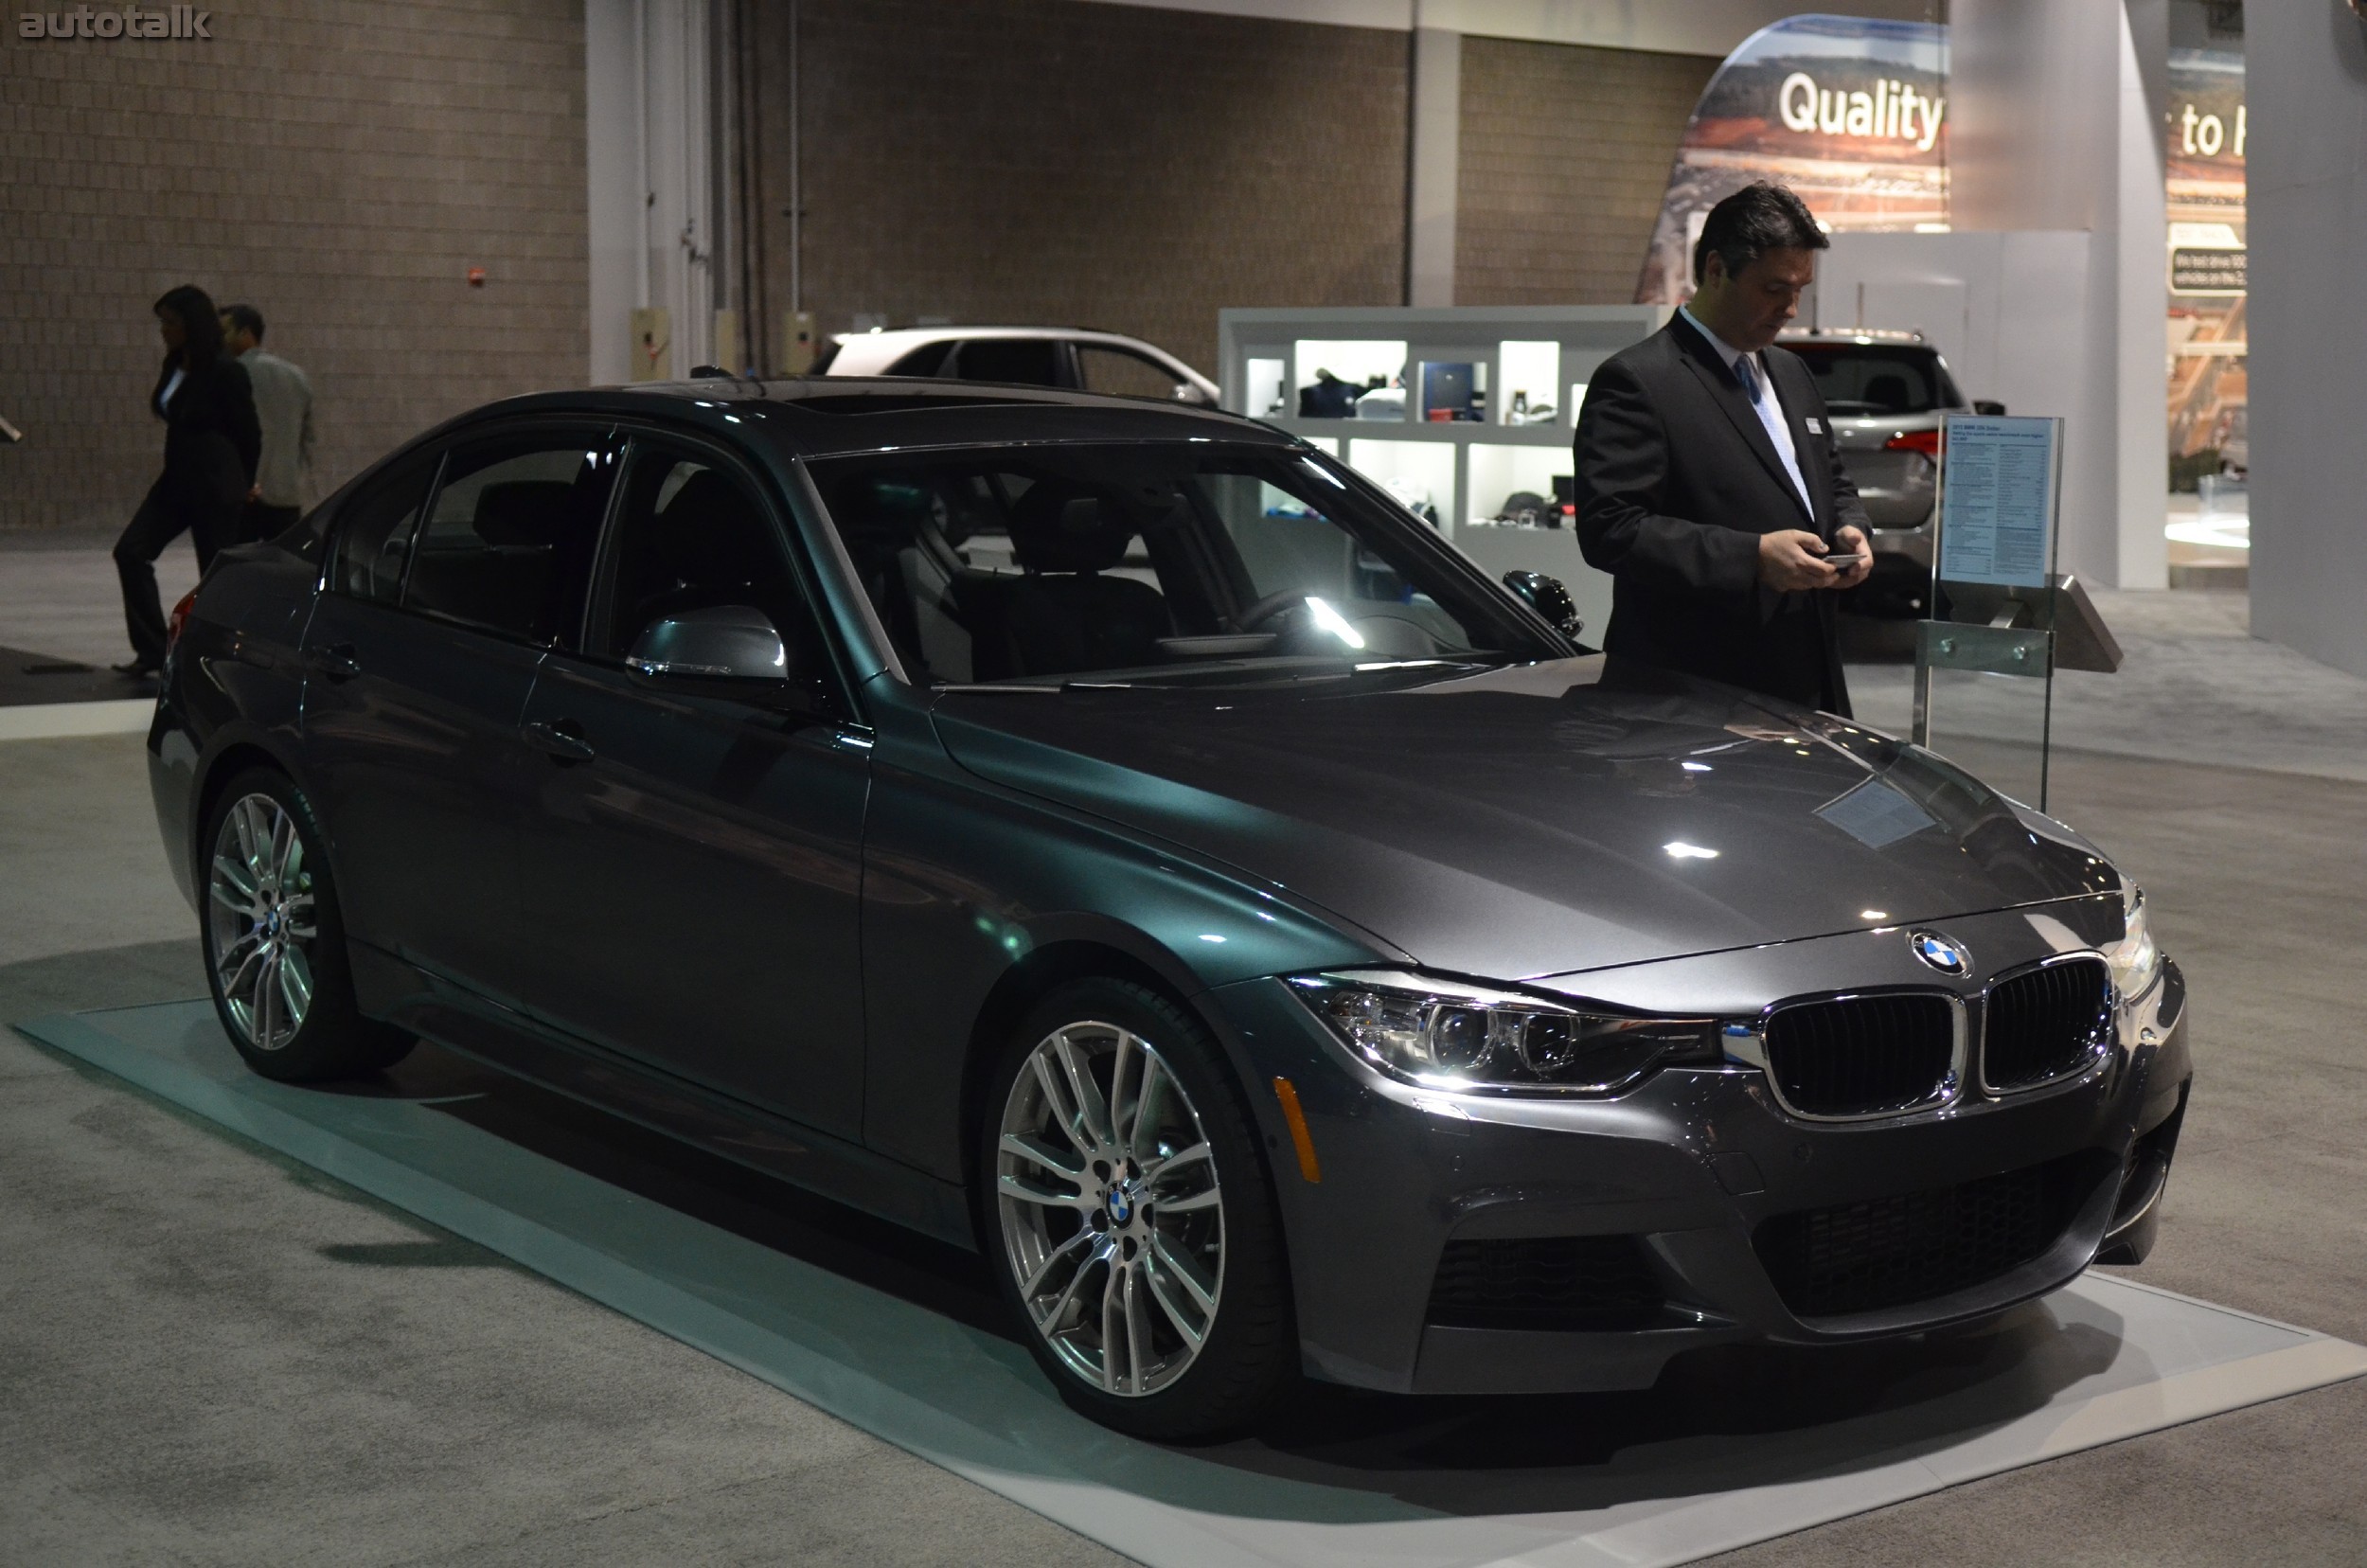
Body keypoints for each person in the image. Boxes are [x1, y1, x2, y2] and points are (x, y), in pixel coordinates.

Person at [1573, 182, 1873, 715]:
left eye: (1800, 289)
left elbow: (1830, 478)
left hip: (1807, 672)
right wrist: (1752, 557)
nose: (1790, 309)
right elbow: (1611, 530)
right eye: (1774, 289)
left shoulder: (1791, 372)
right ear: (1716, 269)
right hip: (1694, 691)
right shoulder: (1638, 380)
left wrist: (1851, 527)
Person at [113, 285, 258, 677]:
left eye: (171, 323)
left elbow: (249, 433)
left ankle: (221, 656)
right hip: (176, 480)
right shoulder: (175, 365)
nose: (164, 330)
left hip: (215, 483)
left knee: (214, 576)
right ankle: (153, 650)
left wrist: (246, 482)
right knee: (130, 551)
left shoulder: (226, 371)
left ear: (192, 325)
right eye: (162, 322)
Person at [220, 303, 314, 543]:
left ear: (246, 333)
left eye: (224, 332)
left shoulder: (229, 373)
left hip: (242, 493)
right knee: (283, 562)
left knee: (238, 562)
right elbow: (308, 439)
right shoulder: (296, 375)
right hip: (285, 493)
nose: (219, 340)